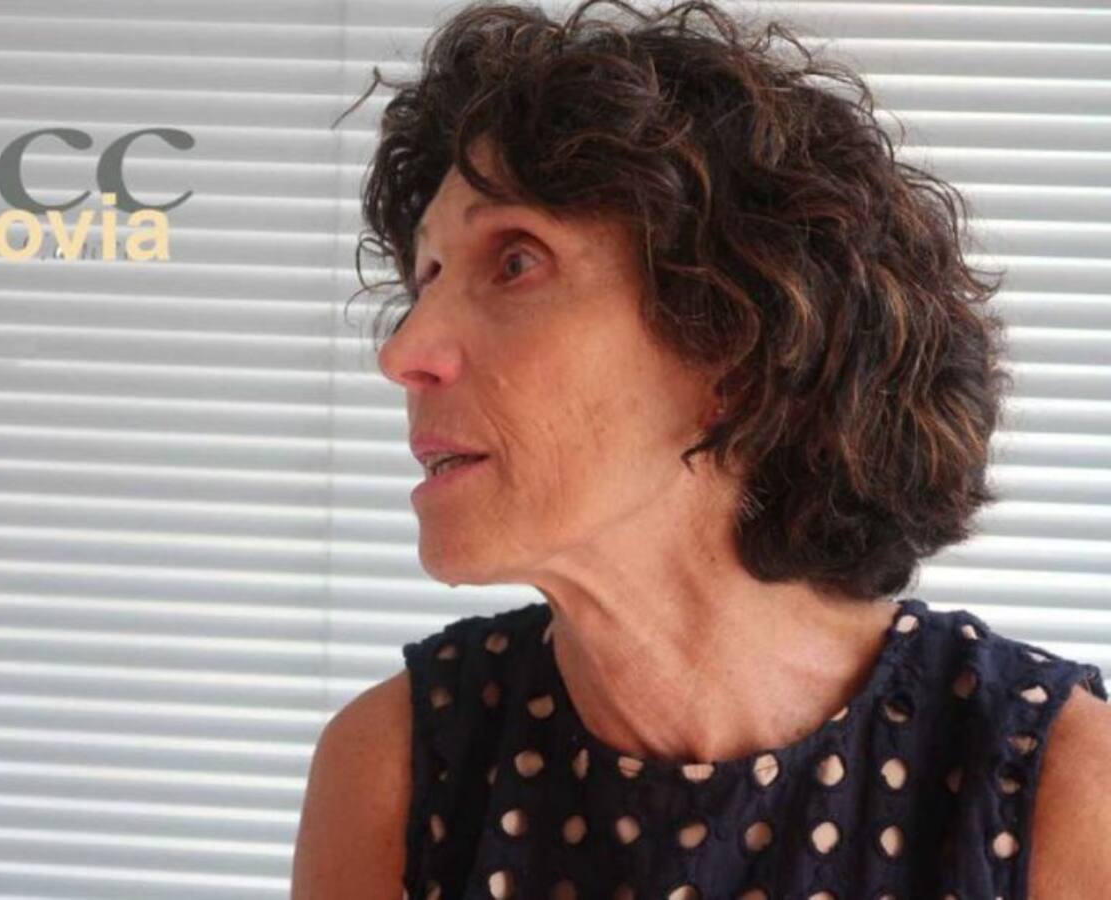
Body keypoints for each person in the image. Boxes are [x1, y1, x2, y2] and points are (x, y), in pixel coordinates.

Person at [292, 1, 1111, 897]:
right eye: (426, 279)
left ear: (740, 340)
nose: (403, 352)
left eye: (516, 261)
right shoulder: (393, 767)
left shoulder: (1057, 789)